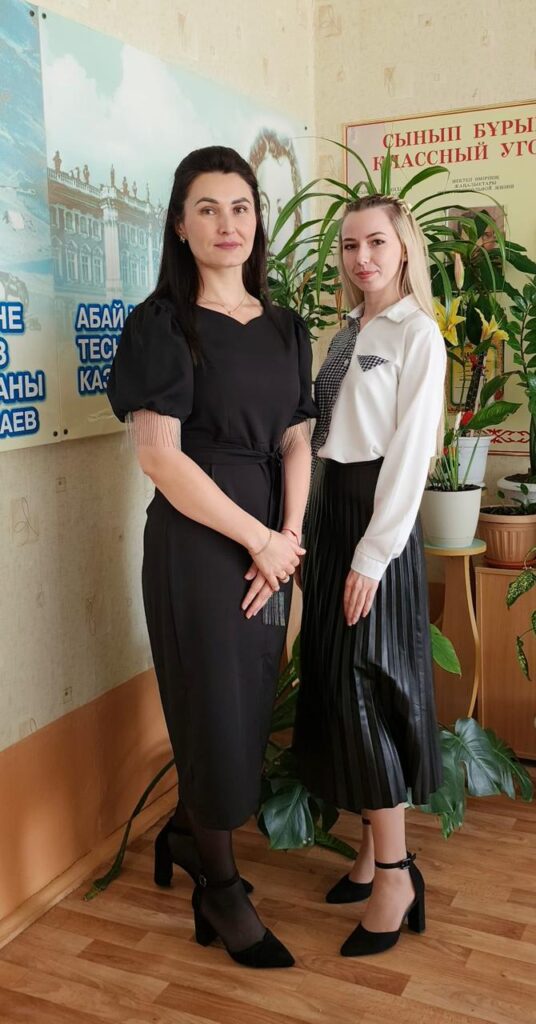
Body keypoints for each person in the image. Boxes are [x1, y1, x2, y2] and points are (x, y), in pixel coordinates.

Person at [107, 146, 316, 969]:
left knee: (249, 702)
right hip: (199, 544)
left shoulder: (287, 327)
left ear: (257, 220)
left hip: (272, 541)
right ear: (179, 224)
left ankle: (189, 835)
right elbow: (160, 457)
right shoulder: (163, 324)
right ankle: (220, 888)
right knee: (211, 708)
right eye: (207, 208)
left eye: (241, 207)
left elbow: (296, 439)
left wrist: (286, 537)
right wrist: (257, 539)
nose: (228, 224)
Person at [293, 193, 446, 957]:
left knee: (367, 689)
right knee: (334, 683)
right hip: (330, 512)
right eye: (351, 245)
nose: (363, 258)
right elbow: (318, 436)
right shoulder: (343, 331)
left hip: (375, 518)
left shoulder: (417, 333)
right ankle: (367, 852)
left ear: (403, 247)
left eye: (377, 242)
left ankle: (395, 876)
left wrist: (371, 554)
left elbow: (412, 454)